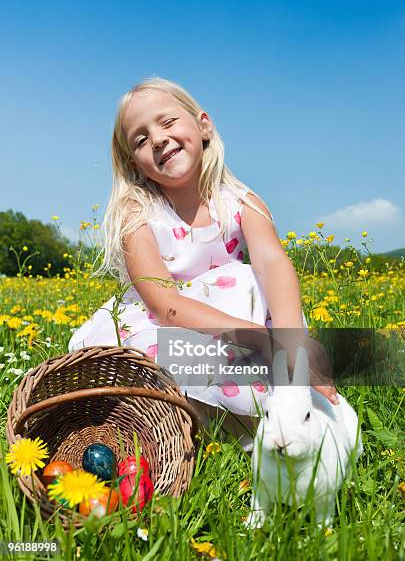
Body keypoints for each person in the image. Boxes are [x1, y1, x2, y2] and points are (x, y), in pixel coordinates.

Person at [68, 77, 338, 448]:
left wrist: (292, 343)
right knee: (167, 356)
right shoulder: (137, 214)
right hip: (165, 326)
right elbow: (167, 307)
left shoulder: (242, 202)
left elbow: (273, 264)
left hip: (228, 330)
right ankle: (200, 430)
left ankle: (282, 417)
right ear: (136, 163)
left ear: (204, 126)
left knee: (252, 286)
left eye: (167, 122)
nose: (158, 139)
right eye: (141, 140)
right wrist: (264, 341)